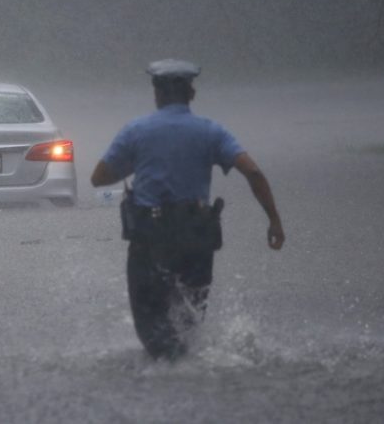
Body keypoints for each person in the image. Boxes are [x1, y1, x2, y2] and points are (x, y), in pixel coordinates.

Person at [90, 58, 285, 359]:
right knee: (189, 325)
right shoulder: (212, 131)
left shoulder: (135, 131)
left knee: (152, 331)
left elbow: (98, 177)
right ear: (191, 94)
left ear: (156, 94)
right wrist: (274, 221)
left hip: (149, 240)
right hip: (196, 239)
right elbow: (254, 173)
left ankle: (161, 379)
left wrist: (137, 163)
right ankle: (188, 374)